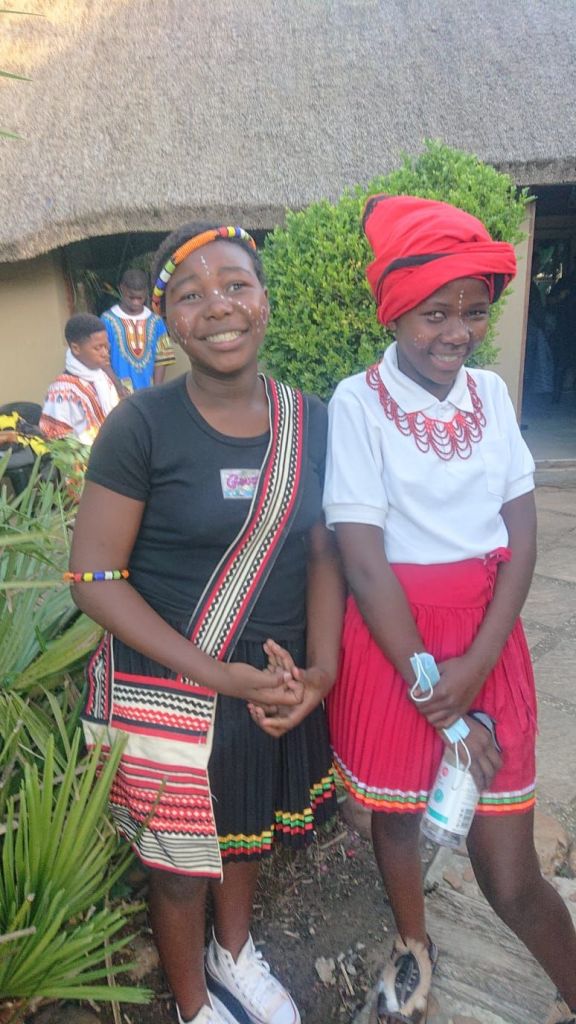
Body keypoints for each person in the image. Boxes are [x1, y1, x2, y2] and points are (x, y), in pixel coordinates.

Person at [69, 223, 343, 1024]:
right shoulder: (141, 426)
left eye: (235, 285)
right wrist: (216, 673)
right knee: (181, 868)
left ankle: (234, 952)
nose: (217, 306)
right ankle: (195, 1004)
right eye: (190, 295)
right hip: (167, 683)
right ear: (165, 319)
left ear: (264, 300)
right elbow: (93, 579)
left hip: (270, 680)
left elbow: (324, 550)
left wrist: (321, 671)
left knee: (245, 831)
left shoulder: (311, 420)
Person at [323, 194, 576, 1024]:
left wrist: (475, 669)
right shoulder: (357, 403)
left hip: (485, 643)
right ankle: (413, 942)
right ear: (395, 313)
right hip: (398, 646)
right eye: (435, 313)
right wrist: (437, 690)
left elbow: (522, 538)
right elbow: (364, 560)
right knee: (398, 820)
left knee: (509, 869)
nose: (456, 332)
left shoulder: (490, 396)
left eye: (473, 311)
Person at [40, 314, 119, 444]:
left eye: (106, 346)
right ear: (76, 349)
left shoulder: (102, 377)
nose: (105, 353)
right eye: (98, 348)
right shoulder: (62, 390)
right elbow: (57, 440)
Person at [101, 267, 176, 393]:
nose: (136, 302)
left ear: (146, 292)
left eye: (140, 298)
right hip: (116, 393)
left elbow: (162, 359)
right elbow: (101, 359)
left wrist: (156, 390)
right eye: (131, 297)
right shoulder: (106, 320)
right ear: (121, 289)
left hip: (148, 393)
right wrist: (118, 386)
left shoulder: (156, 322)